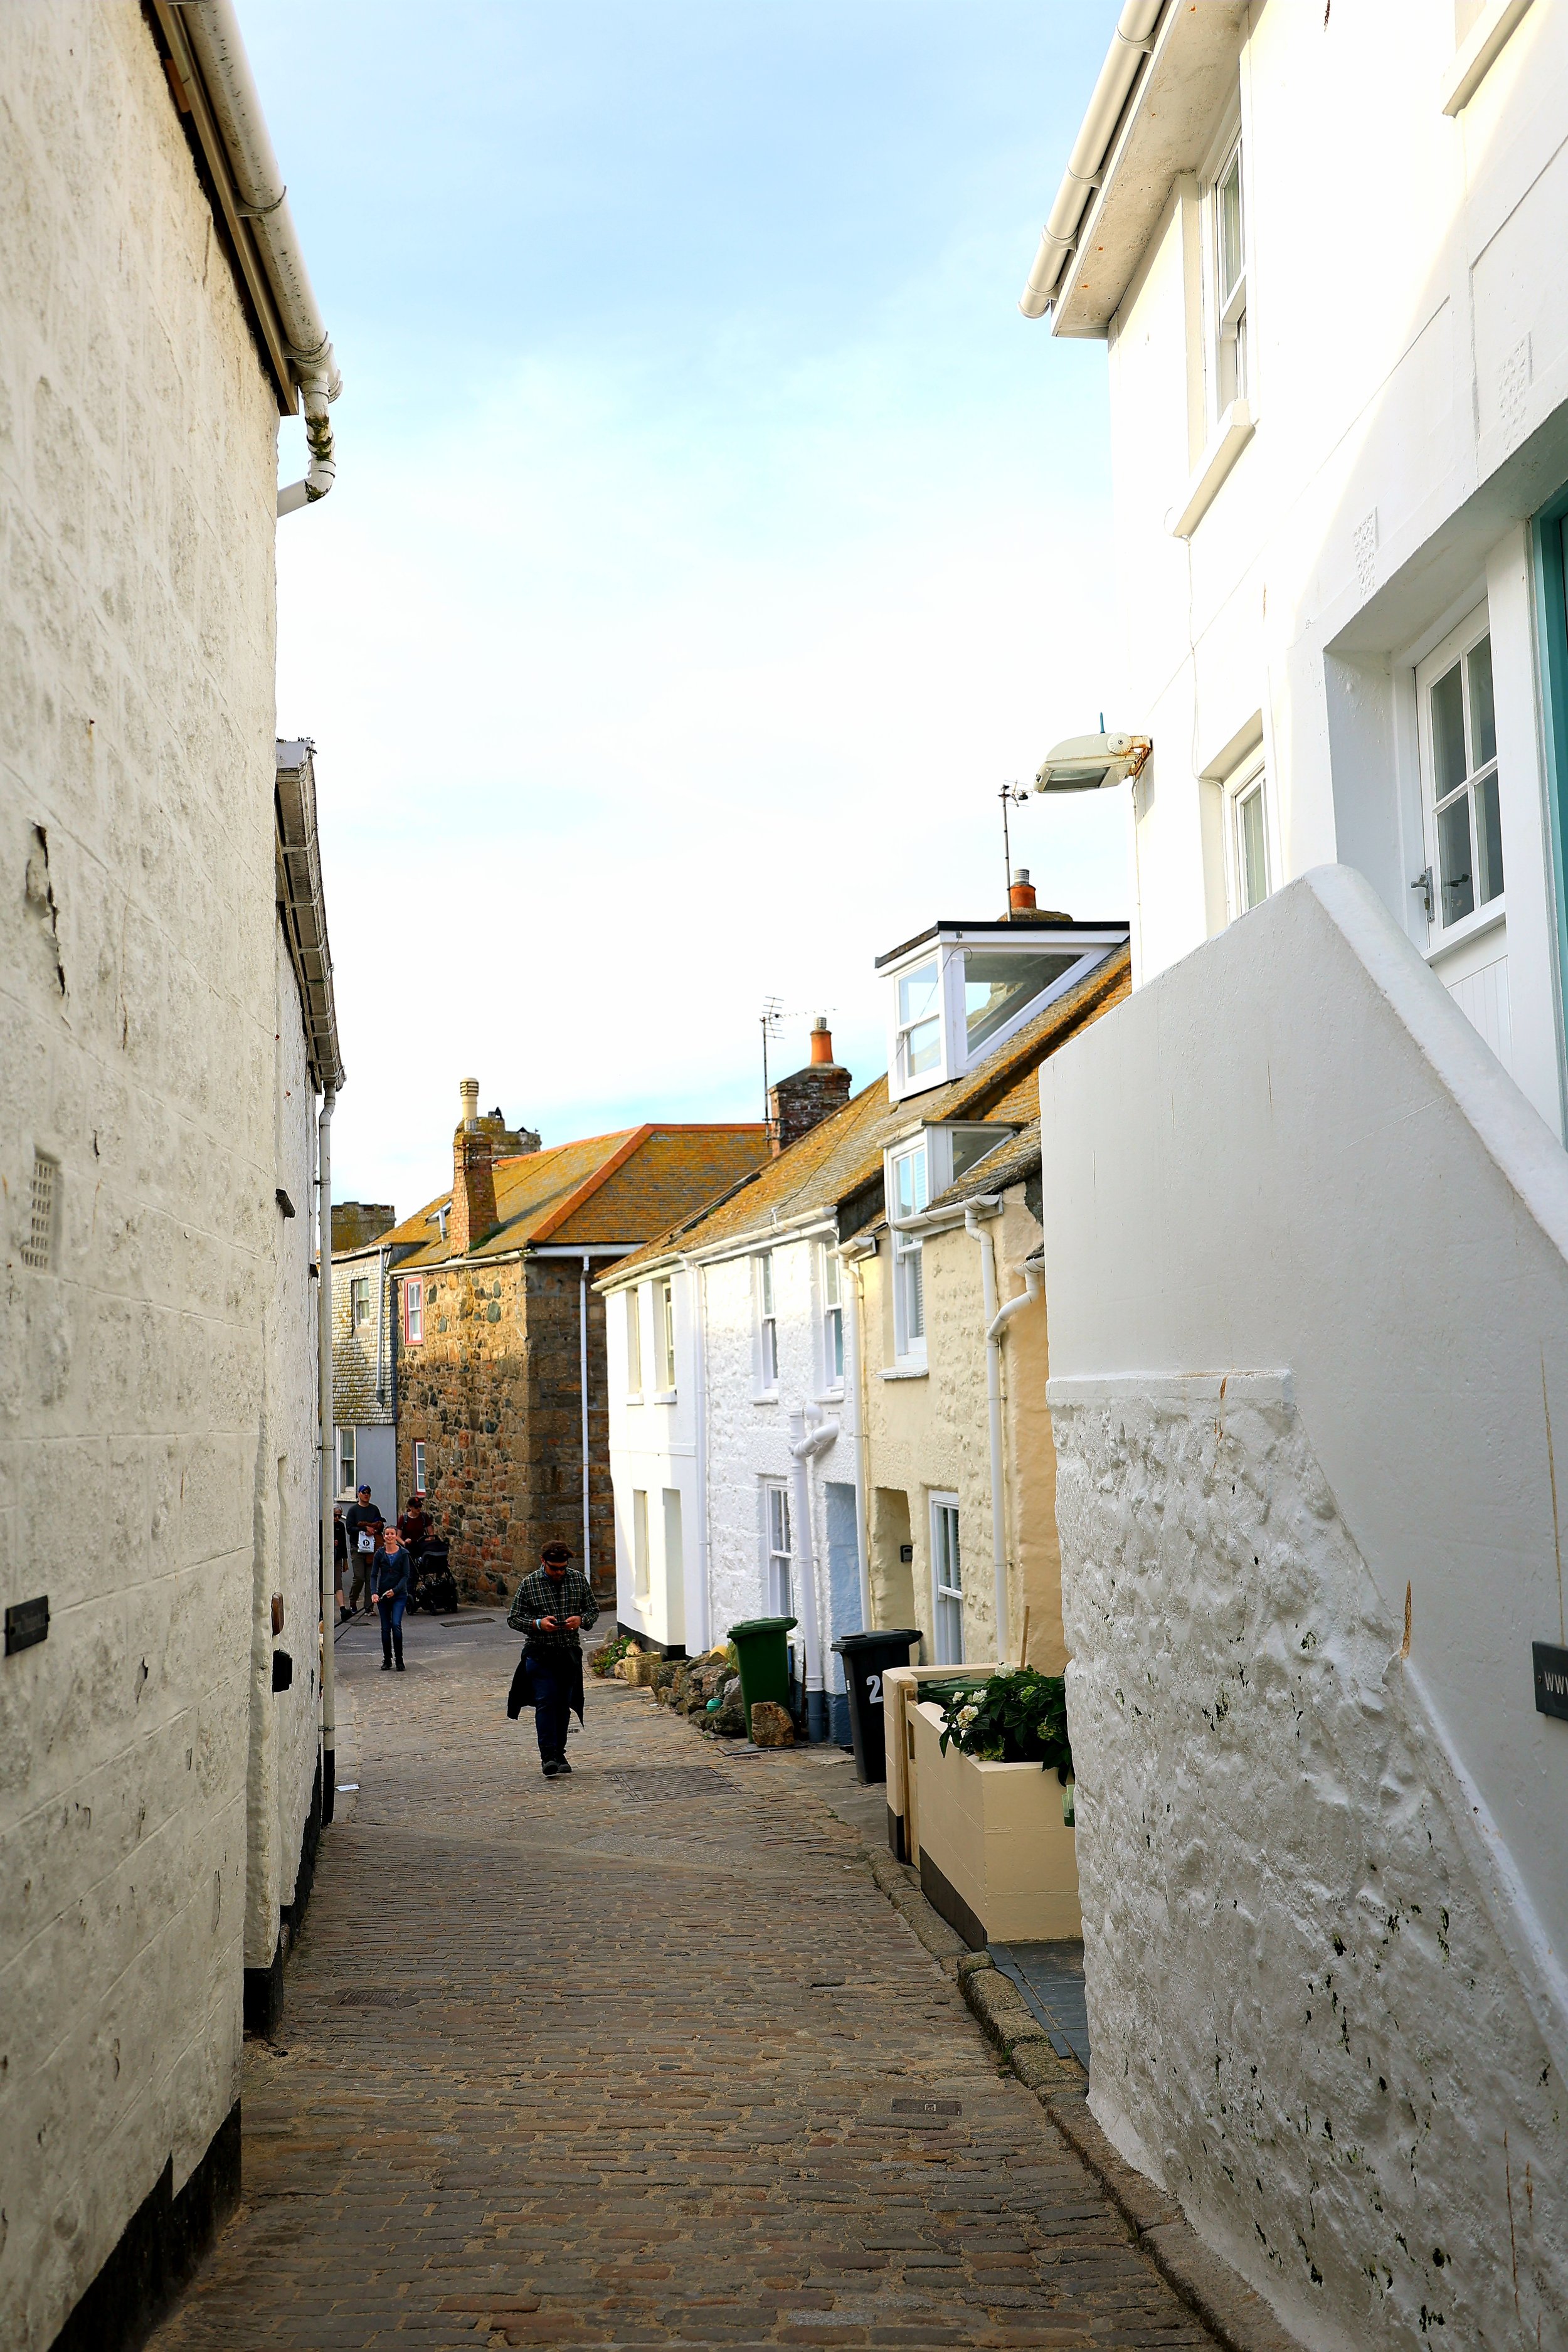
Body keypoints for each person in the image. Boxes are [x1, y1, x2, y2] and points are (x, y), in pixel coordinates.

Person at [506, 1540, 599, 1777]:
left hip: (568, 1655)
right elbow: (514, 1618)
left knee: (563, 1706)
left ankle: (560, 1753)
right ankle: (547, 1756)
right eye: (554, 1568)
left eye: (562, 1568)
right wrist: (538, 1624)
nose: (559, 1573)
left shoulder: (578, 1580)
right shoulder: (529, 1584)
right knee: (546, 1702)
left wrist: (581, 1620)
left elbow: (593, 1610)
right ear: (543, 1562)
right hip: (539, 1654)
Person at [371, 1522, 410, 1671]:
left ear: (396, 1536)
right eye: (387, 1534)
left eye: (392, 1534)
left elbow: (406, 1576)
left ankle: (399, 1659)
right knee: (386, 1628)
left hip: (399, 1595)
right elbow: (374, 1575)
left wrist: (395, 1590)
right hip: (383, 1597)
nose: (389, 1537)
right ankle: (387, 1659)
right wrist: (374, 1593)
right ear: (384, 1536)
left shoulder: (404, 1554)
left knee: (396, 1625)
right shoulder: (379, 1554)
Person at [344, 1484, 383, 1614]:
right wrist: (364, 1528)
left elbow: (381, 1526)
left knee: (370, 1577)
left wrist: (375, 1529)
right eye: (364, 1492)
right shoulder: (353, 1510)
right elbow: (350, 1529)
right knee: (359, 1577)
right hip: (358, 1548)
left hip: (372, 1549)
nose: (366, 1494)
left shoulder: (374, 1509)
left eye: (368, 1492)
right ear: (359, 1494)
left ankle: (369, 1607)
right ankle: (353, 1600)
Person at [332, 1505, 349, 1623]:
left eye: (339, 1516)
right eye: (335, 1515)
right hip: (325, 1558)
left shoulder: (340, 1526)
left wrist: (345, 1561)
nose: (337, 1518)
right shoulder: (323, 1524)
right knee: (324, 1585)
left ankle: (343, 1608)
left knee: (338, 1583)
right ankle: (321, 1610)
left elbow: (343, 1544)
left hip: (337, 1558)